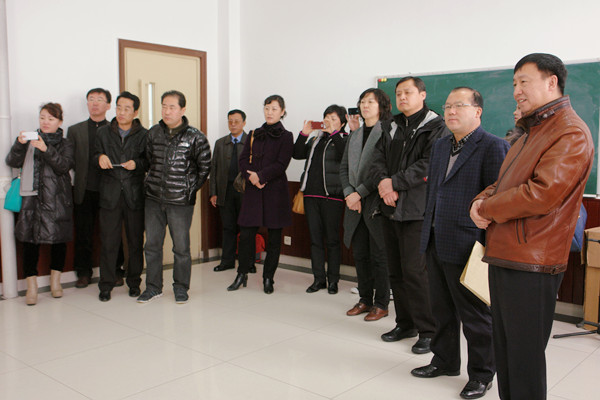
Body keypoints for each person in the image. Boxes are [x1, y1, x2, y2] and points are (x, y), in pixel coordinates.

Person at [470, 53, 594, 400]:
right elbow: (504, 183)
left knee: (523, 360)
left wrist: (487, 208)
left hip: (532, 260)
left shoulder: (569, 131)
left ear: (551, 82)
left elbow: (541, 194)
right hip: (507, 253)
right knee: (506, 353)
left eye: (524, 82)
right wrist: (480, 200)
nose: (516, 91)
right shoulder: (530, 131)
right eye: (514, 83)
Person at [412, 87, 510, 399]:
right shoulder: (441, 146)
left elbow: (496, 200)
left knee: (475, 316)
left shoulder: (493, 146)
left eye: (459, 105)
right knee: (440, 309)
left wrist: (488, 247)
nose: (451, 111)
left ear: (477, 111)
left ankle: (482, 374)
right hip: (435, 238)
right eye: (447, 106)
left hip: (469, 243)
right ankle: (445, 361)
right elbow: (434, 192)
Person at [370, 76, 445, 353]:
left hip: (417, 209)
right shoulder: (390, 125)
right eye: (399, 93)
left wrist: (394, 183)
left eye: (408, 92)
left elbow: (429, 164)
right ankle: (405, 323)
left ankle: (429, 331)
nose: (402, 97)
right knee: (396, 271)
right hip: (389, 206)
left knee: (416, 272)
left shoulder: (436, 126)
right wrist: (383, 183)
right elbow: (376, 160)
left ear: (422, 95)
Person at [138, 90, 211, 304]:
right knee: (152, 245)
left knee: (181, 247)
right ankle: (153, 287)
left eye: (172, 107)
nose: (167, 111)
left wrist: (188, 190)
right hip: (153, 198)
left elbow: (205, 168)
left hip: (180, 201)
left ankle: (181, 287)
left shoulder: (195, 137)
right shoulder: (153, 133)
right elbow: (148, 160)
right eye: (164, 106)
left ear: (182, 109)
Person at [6, 103, 74, 305]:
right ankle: (32, 287)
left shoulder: (66, 144)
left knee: (59, 241)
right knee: (30, 241)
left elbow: (64, 166)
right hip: (32, 199)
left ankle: (56, 282)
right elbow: (12, 161)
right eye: (42, 117)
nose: (45, 122)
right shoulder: (29, 140)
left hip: (57, 199)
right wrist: (19, 144)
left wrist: (46, 149)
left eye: (51, 119)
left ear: (60, 122)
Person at [227, 94, 293, 294]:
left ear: (282, 111)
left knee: (274, 238)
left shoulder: (286, 136)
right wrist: (253, 178)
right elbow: (243, 160)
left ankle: (268, 278)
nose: (269, 112)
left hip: (275, 192)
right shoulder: (254, 133)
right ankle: (242, 274)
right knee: (246, 235)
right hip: (253, 191)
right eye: (266, 108)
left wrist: (262, 176)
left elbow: (282, 164)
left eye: (274, 109)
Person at [340, 88, 391, 321]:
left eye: (371, 101)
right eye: (362, 101)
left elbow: (381, 170)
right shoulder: (355, 134)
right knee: (360, 254)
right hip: (354, 203)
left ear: (381, 106)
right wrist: (349, 193)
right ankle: (364, 299)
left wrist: (358, 194)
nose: (365, 105)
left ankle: (381, 304)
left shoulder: (388, 132)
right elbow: (343, 168)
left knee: (379, 256)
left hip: (375, 202)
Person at [68, 88, 124, 288]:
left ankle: (116, 270)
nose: (94, 103)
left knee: (112, 233)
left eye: (100, 99)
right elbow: (70, 159)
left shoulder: (116, 129)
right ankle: (84, 273)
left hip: (110, 190)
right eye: (91, 99)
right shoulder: (75, 130)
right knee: (84, 233)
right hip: (84, 190)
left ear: (108, 105)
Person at [95, 91, 148, 302]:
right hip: (110, 194)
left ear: (135, 112)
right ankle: (106, 285)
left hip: (135, 195)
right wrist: (100, 157)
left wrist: (138, 164)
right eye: (119, 107)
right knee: (109, 242)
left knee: (135, 242)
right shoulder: (103, 133)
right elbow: (93, 155)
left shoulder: (144, 135)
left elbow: (149, 161)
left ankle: (134, 282)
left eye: (127, 108)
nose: (122, 112)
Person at [293, 105, 349, 294]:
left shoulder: (345, 139)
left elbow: (345, 156)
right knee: (315, 240)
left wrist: (334, 133)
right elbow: (297, 154)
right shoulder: (315, 139)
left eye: (334, 119)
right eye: (326, 118)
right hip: (310, 195)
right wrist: (304, 134)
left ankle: (333, 280)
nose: (328, 122)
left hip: (332, 196)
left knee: (332, 240)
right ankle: (319, 279)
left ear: (342, 123)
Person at [210, 109, 254, 273]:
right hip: (225, 192)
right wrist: (213, 192)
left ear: (244, 122)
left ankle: (248, 263)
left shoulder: (252, 142)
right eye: (230, 121)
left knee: (246, 229)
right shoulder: (220, 143)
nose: (233, 124)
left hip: (245, 192)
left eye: (236, 121)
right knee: (228, 228)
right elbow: (214, 168)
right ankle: (227, 261)